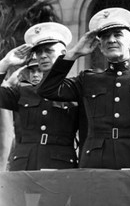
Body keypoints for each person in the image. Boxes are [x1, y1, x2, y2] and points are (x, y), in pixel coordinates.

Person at [37, 8, 130, 169]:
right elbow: (46, 90)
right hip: (96, 161)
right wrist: (74, 53)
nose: (111, 40)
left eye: (117, 34)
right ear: (100, 46)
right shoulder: (88, 80)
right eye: (105, 37)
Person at [0, 23, 79, 171]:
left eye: (48, 51)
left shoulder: (74, 90)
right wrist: (5, 63)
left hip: (60, 165)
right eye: (39, 52)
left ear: (63, 52)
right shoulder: (23, 92)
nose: (42, 56)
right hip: (24, 165)